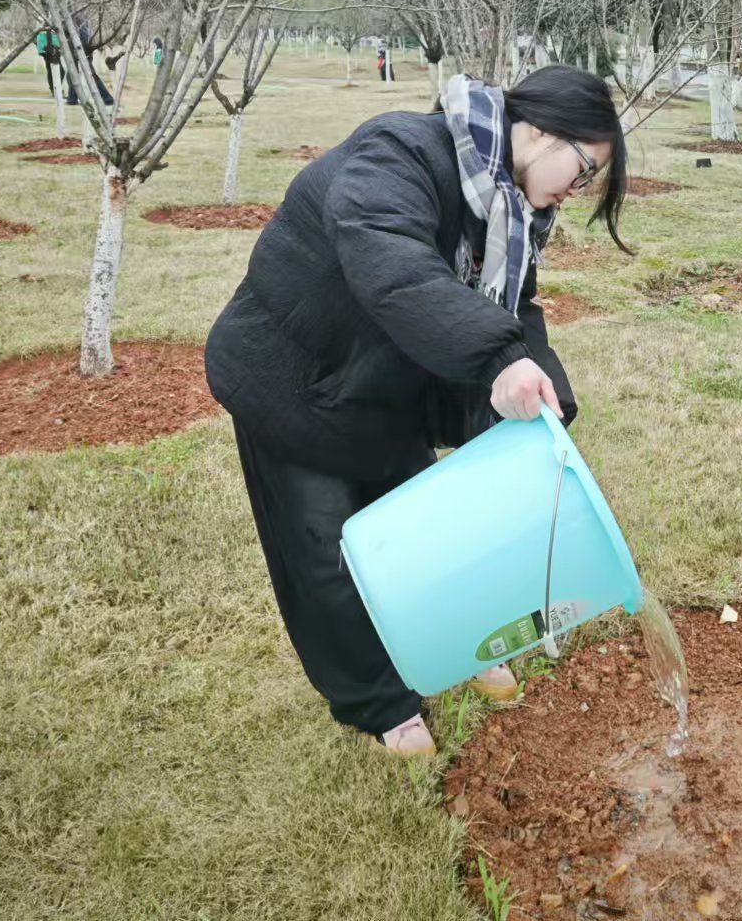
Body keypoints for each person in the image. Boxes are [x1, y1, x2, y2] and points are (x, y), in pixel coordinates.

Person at [205, 65, 629, 756]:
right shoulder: (399, 153)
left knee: (427, 533)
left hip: (383, 387)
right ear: (541, 128)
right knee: (325, 553)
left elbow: (514, 305)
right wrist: (496, 359)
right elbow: (393, 263)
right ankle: (379, 701)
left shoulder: (507, 210)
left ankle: (457, 645)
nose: (575, 192)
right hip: (291, 381)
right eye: (582, 169)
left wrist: (550, 395)